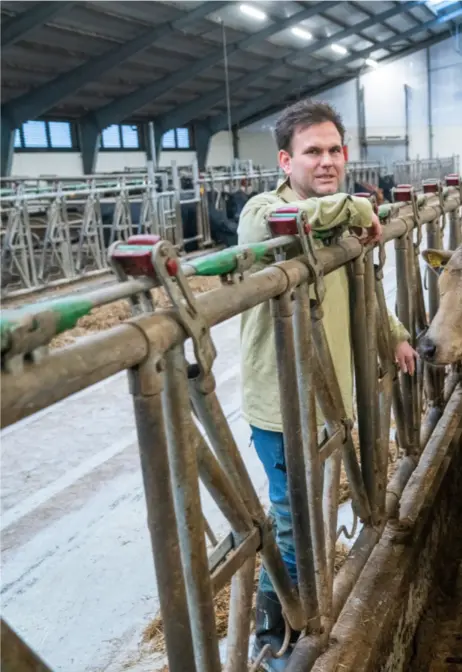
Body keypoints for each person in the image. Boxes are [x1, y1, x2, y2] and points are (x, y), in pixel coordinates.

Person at [237, 100, 418, 670]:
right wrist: (359, 207)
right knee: (291, 517)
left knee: (316, 506)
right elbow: (280, 233)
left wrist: (393, 334)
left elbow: (357, 288)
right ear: (286, 160)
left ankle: (307, 604)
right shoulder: (263, 209)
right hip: (283, 401)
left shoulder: (344, 218)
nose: (327, 161)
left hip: (337, 391)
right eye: (312, 151)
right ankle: (277, 633)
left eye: (335, 150)